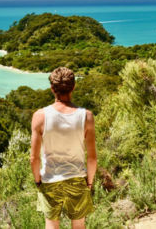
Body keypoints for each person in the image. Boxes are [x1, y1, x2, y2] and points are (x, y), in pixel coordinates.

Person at [30, 67, 97, 229]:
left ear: (52, 88)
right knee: (79, 225)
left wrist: (38, 181)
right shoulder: (86, 116)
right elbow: (92, 158)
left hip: (50, 179)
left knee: (51, 225)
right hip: (77, 177)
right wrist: (89, 182)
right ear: (73, 87)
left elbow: (34, 158)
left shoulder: (40, 116)